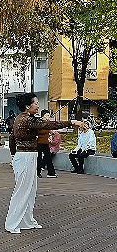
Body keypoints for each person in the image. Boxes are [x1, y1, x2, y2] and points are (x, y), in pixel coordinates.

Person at [6, 93, 81, 234]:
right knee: (22, 191)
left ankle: (26, 221)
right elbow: (49, 124)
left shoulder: (23, 118)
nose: (38, 105)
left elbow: (12, 139)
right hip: (25, 157)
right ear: (28, 106)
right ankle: (12, 223)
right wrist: (72, 122)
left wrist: (13, 154)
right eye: (35, 103)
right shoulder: (26, 120)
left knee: (30, 190)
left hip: (27, 157)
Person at [37, 109, 57, 178]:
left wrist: (51, 134)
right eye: (47, 115)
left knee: (48, 157)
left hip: (45, 143)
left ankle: (51, 173)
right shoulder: (39, 122)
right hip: (39, 142)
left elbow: (50, 130)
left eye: (49, 115)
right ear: (43, 116)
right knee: (39, 158)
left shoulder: (48, 123)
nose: (48, 117)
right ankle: (38, 173)